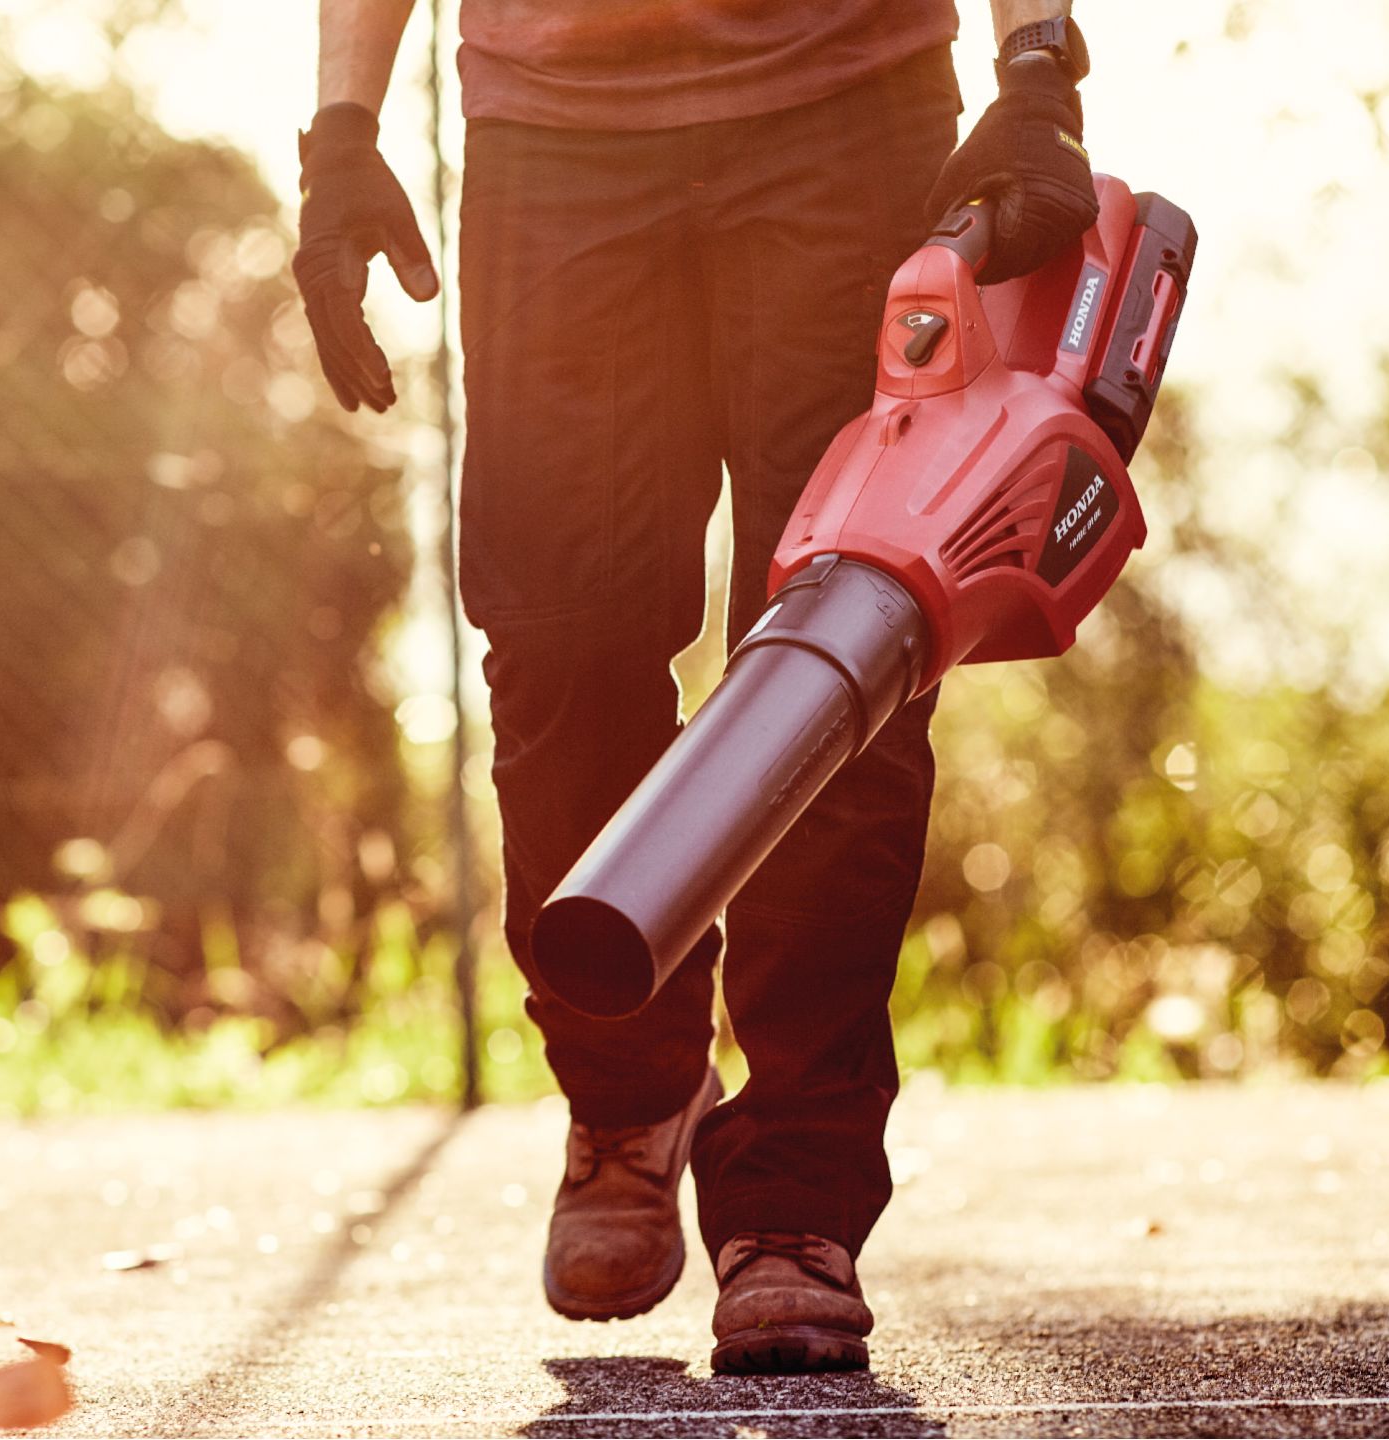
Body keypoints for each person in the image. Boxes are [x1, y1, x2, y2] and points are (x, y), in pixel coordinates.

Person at [292, 0, 1097, 1375]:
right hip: (555, 136)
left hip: (846, 102)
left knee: (849, 645)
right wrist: (341, 131)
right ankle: (625, 1090)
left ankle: (795, 1200)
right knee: (558, 646)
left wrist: (1039, 59)